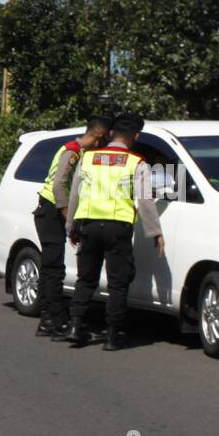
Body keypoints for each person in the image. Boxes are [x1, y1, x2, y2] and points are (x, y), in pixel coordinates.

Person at [62, 114, 165, 351]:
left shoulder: (88, 158)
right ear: (135, 137)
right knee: (118, 283)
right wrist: (156, 233)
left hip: (87, 225)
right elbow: (146, 201)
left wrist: (70, 226)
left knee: (86, 279)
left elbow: (74, 193)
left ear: (110, 135)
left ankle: (76, 327)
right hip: (117, 228)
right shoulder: (136, 162)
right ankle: (112, 335)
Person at [34, 116, 112, 337]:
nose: (104, 144)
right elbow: (59, 186)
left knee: (51, 268)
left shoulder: (80, 152)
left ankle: (47, 319)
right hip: (51, 211)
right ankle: (55, 320)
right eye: (104, 139)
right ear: (98, 136)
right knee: (54, 269)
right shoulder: (73, 150)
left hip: (51, 211)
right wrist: (68, 219)